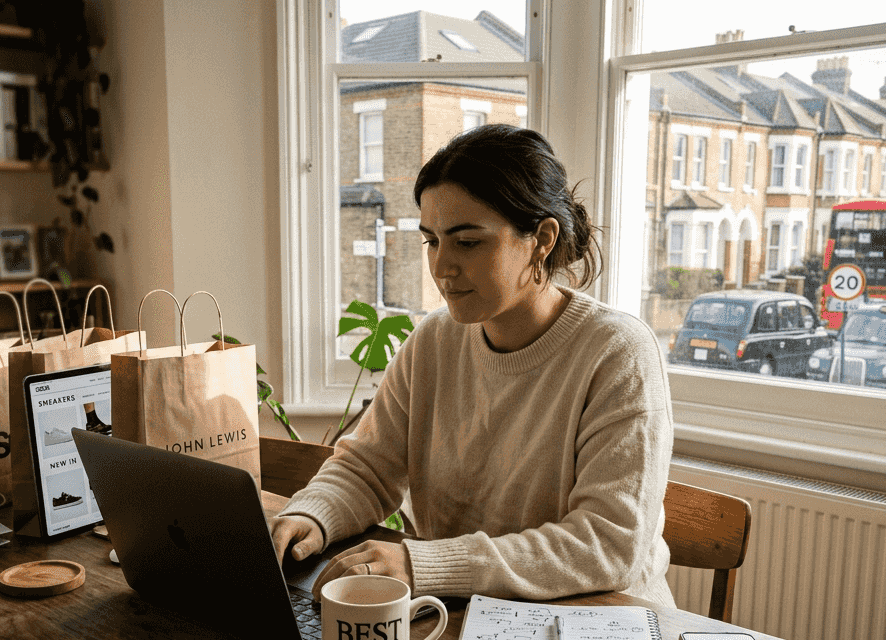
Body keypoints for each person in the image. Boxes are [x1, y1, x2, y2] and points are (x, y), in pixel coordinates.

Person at [269, 123, 674, 606]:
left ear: (541, 239)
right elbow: (366, 469)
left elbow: (606, 546)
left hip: (597, 627)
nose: (441, 267)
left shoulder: (618, 352)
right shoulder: (435, 339)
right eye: (431, 241)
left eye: (467, 242)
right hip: (460, 612)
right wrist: (312, 515)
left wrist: (426, 565)